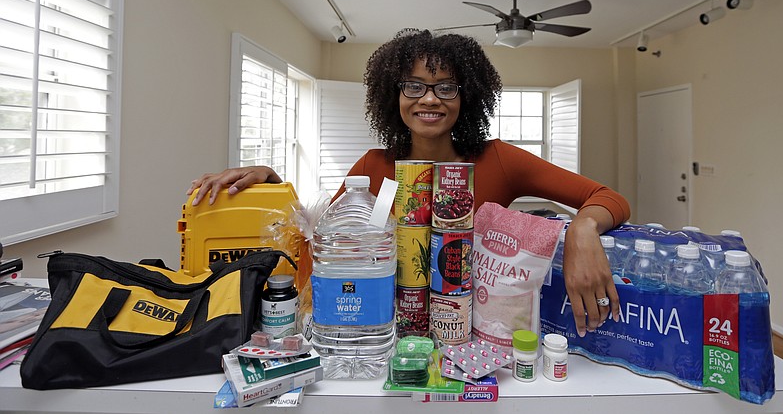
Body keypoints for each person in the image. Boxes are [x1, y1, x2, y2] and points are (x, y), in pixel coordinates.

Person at [187, 29, 630, 337]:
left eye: (446, 87)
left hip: (480, 332)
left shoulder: (497, 159)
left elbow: (606, 197)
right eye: (413, 86)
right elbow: (325, 241)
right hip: (390, 331)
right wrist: (273, 183)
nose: (430, 98)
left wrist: (583, 230)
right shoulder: (375, 166)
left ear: (467, 97)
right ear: (394, 96)